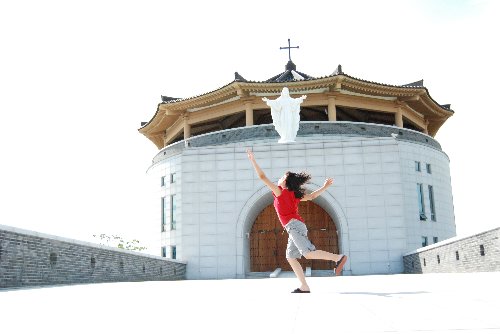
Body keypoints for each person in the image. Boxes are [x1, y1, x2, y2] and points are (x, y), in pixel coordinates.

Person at [246, 148, 347, 293]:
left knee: (307, 253)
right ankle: (304, 286)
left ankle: (338, 258)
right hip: (294, 226)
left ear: (285, 182)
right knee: (291, 257)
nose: (280, 178)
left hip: (294, 226)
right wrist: (324, 187)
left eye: (282, 176)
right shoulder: (293, 194)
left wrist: (252, 160)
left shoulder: (280, 192)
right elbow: (311, 197)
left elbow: (262, 177)